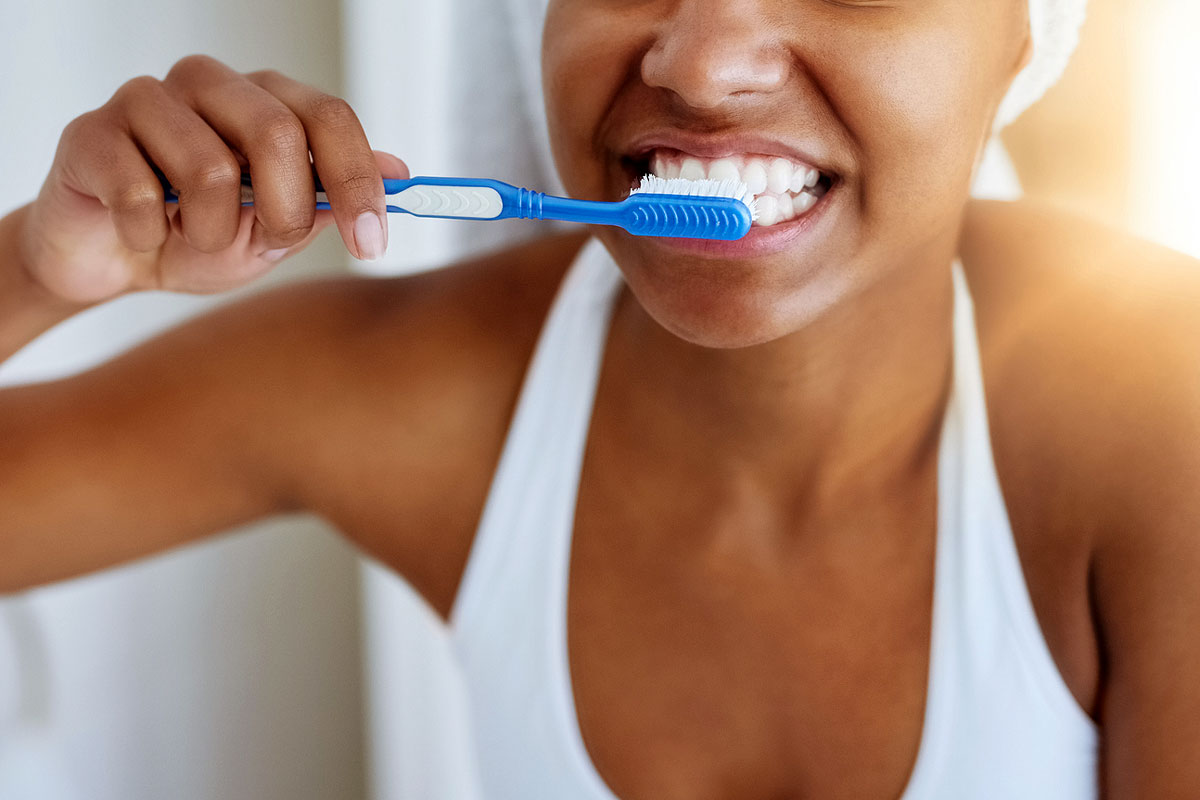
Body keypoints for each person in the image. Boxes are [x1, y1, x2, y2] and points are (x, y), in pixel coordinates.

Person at [2, 0, 1198, 797]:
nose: (703, 58)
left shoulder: (1159, 411)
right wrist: (37, 270)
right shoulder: (444, 395)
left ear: (1021, 39)